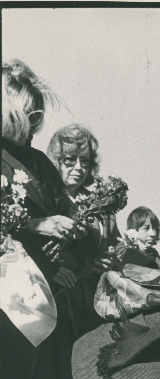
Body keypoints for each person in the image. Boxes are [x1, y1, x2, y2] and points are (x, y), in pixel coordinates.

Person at [1, 59, 79, 379]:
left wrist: (69, 253)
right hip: (6, 300)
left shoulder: (40, 165)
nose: (35, 122)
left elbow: (67, 219)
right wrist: (35, 226)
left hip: (43, 298)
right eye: (27, 113)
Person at [46, 123, 119, 338]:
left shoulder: (100, 204)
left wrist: (110, 259)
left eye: (85, 162)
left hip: (91, 299)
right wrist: (51, 269)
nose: (78, 167)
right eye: (70, 160)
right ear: (55, 160)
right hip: (55, 299)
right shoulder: (45, 199)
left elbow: (115, 245)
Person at [93, 207, 160, 320]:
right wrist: (130, 245)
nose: (153, 233)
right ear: (133, 230)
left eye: (155, 228)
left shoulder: (157, 257)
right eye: (146, 228)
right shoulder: (124, 253)